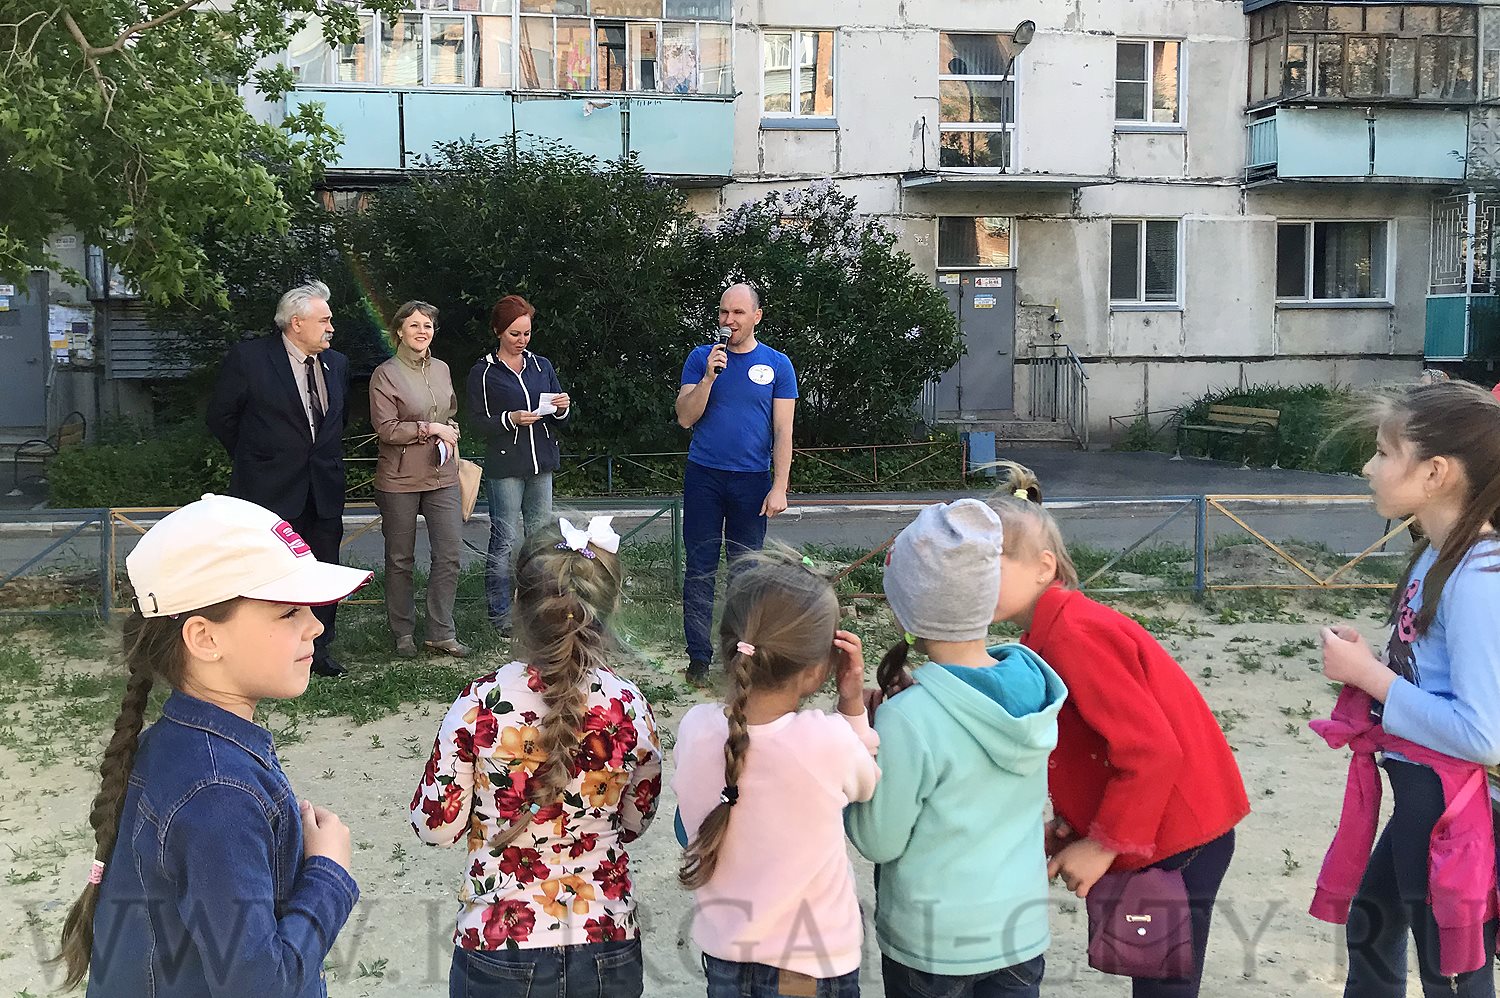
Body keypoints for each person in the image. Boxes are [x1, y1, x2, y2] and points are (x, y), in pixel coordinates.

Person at [54, 494, 371, 996]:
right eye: (289, 612)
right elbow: (262, 984)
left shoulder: (181, 748)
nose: (315, 625)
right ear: (204, 639)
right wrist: (328, 873)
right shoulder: (218, 793)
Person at [984, 462, 1249, 998]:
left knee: (1163, 981)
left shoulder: (1075, 636)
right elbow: (1092, 744)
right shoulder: (1050, 633)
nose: (972, 581)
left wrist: (1104, 844)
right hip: (1160, 823)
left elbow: (1151, 750)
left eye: (989, 564)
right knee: (1150, 969)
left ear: (1043, 567)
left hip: (1180, 833)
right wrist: (1078, 821)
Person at [410, 515, 662, 998]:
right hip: (606, 938)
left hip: (500, 939)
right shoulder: (629, 706)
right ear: (611, 605)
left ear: (517, 601)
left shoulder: (481, 704)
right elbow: (635, 821)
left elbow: (435, 826)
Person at [1315, 380, 1500, 997]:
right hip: (1425, 791)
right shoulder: (1435, 553)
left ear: (1435, 473)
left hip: (1454, 805)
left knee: (1452, 970)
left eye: (1383, 453)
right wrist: (1374, 665)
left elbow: (1483, 735)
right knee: (1373, 928)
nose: (1368, 469)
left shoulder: (1478, 577)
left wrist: (1370, 677)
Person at [846, 499, 1066, 998]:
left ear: (906, 610)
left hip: (932, 942)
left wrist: (859, 761)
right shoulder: (1031, 684)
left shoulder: (908, 716)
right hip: (1018, 933)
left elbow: (879, 841)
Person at [674, 556, 880, 998]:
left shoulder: (694, 730)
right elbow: (867, 781)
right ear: (817, 670)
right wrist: (852, 706)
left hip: (726, 957)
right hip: (806, 963)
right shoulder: (827, 740)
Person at [207, 280, 352, 677]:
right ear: (296, 322)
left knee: (323, 569)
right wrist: (259, 458)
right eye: (324, 320)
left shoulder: (336, 364)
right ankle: (264, 648)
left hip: (323, 489)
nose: (331, 327)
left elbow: (336, 422)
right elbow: (221, 417)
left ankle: (318, 650)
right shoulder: (250, 358)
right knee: (269, 572)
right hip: (268, 490)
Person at [675, 283, 798, 683]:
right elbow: (685, 418)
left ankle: (738, 656)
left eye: (738, 313)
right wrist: (708, 379)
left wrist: (780, 485)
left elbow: (783, 430)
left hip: (752, 480)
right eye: (724, 312)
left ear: (756, 316)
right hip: (704, 476)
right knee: (700, 567)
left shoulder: (778, 365)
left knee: (746, 572)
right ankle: (698, 656)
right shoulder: (701, 358)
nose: (729, 320)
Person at [369, 300, 470, 659]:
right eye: (414, 325)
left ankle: (441, 632)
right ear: (399, 330)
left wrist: (451, 431)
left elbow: (450, 413)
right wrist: (430, 429)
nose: (422, 331)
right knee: (400, 560)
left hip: (443, 476)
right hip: (399, 479)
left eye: (427, 325)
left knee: (450, 554)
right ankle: (403, 633)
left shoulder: (442, 369)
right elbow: (386, 429)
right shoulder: (385, 374)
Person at [467, 295, 571, 637]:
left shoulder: (542, 366)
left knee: (541, 540)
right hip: (506, 467)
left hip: (541, 464)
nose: (521, 340)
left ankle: (539, 608)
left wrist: (562, 408)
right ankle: (500, 614)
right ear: (498, 331)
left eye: (526, 333)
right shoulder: (483, 372)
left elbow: (561, 418)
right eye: (514, 333)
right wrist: (509, 419)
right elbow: (477, 423)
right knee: (505, 540)